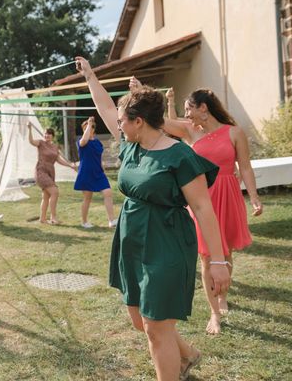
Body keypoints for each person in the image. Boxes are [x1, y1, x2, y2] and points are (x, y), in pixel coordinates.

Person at [75, 57, 231, 381]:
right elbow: (106, 108)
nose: (117, 126)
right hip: (132, 239)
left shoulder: (180, 155)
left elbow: (203, 208)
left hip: (167, 241)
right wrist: (90, 75)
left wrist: (217, 260)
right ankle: (187, 355)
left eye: (122, 122)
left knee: (156, 328)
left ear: (139, 121)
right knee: (140, 320)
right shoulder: (132, 147)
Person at [157, 83, 262, 334]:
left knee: (225, 254)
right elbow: (159, 122)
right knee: (206, 256)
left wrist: (255, 197)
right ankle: (214, 312)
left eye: (189, 108)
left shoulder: (234, 132)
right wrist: (142, 92)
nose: (187, 114)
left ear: (203, 108)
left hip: (229, 196)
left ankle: (222, 293)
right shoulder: (191, 131)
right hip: (202, 198)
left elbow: (245, 167)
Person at [27, 124, 77, 225]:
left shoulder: (55, 147)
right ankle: (53, 217)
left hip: (50, 172)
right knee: (55, 192)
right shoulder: (40, 143)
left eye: (49, 134)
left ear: (52, 136)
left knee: (46, 196)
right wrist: (30, 129)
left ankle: (42, 219)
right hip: (40, 171)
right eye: (45, 134)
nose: (46, 135)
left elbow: (59, 160)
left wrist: (70, 165)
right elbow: (31, 141)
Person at [74, 116, 117, 229]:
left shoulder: (98, 143)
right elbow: (84, 140)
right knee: (87, 198)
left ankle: (111, 220)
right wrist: (89, 123)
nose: (88, 128)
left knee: (107, 192)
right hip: (86, 173)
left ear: (94, 129)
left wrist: (103, 167)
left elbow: (99, 157)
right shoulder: (81, 142)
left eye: (90, 127)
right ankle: (84, 222)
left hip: (98, 173)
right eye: (86, 127)